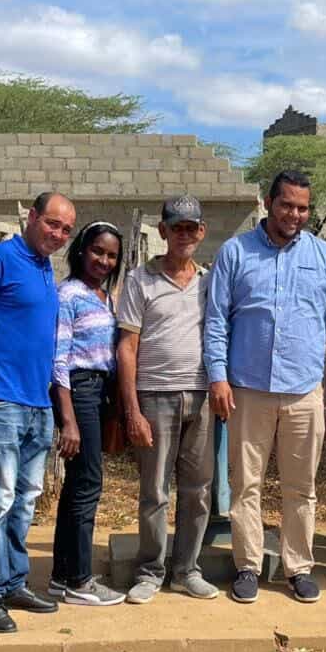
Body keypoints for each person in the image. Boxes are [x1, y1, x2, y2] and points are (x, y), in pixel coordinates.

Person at [205, 170, 326, 604]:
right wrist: (217, 375)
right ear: (269, 204)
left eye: (303, 207)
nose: (295, 214)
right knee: (245, 484)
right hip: (247, 390)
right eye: (287, 204)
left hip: (304, 389)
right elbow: (216, 321)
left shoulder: (325, 257)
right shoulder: (235, 253)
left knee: (300, 487)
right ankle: (248, 566)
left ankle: (298, 566)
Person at [0, 191, 76, 634]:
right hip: (0, 401)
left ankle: (13, 583)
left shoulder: (45, 269)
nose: (58, 235)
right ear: (32, 216)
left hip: (37, 404)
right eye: (52, 224)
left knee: (24, 503)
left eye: (66, 230)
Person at [117, 195, 220, 604]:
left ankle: (186, 570)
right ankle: (149, 572)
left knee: (198, 490)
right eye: (176, 227)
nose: (184, 234)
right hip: (155, 396)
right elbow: (126, 347)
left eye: (191, 227)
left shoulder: (209, 282)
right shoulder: (140, 280)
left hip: (201, 397)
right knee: (155, 491)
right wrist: (132, 410)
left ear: (201, 232)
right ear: (162, 231)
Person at [49, 221, 127, 607]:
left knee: (77, 485)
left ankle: (62, 574)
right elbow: (58, 358)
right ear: (81, 250)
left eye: (111, 255)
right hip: (78, 390)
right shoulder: (69, 296)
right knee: (87, 485)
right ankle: (80, 581)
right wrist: (68, 419)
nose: (104, 260)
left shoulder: (104, 297)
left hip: (97, 392)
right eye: (98, 251)